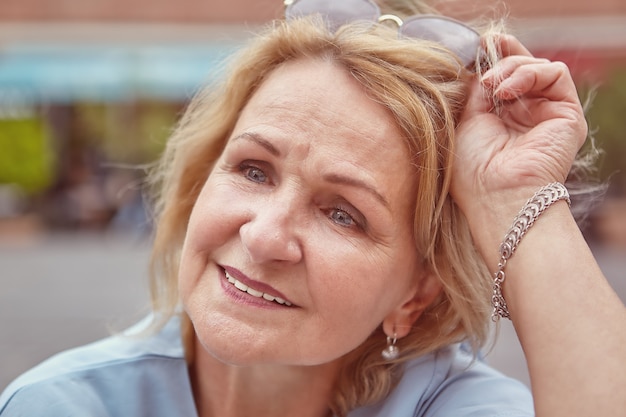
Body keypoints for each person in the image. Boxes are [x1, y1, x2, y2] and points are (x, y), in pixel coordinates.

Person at [2, 0, 625, 416]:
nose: (266, 234)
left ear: (417, 294)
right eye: (253, 169)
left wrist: (516, 193)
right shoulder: (62, 404)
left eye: (343, 213)